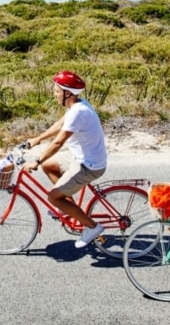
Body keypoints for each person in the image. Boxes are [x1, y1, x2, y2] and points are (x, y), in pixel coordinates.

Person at [23, 71, 109, 249]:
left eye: (56, 91)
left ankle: (92, 227)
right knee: (49, 166)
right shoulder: (76, 105)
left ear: (67, 93)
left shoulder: (78, 112)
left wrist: (36, 161)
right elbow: (59, 125)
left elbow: (58, 142)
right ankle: (68, 206)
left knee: (53, 197)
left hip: (89, 165)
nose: (54, 94)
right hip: (80, 157)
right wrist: (37, 140)